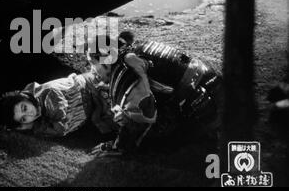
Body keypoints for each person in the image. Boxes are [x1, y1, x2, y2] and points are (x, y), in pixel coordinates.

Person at [88, 31, 221, 156]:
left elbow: (143, 119)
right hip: (212, 80)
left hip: (203, 107)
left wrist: (115, 146)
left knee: (152, 141)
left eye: (93, 63)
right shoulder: (137, 49)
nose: (92, 69)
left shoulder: (124, 72)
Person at [0, 71, 117, 137]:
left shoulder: (51, 99)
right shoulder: (24, 98)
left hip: (92, 90)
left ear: (24, 97)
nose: (29, 114)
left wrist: (31, 127)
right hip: (85, 99)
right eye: (23, 118)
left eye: (24, 109)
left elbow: (62, 129)